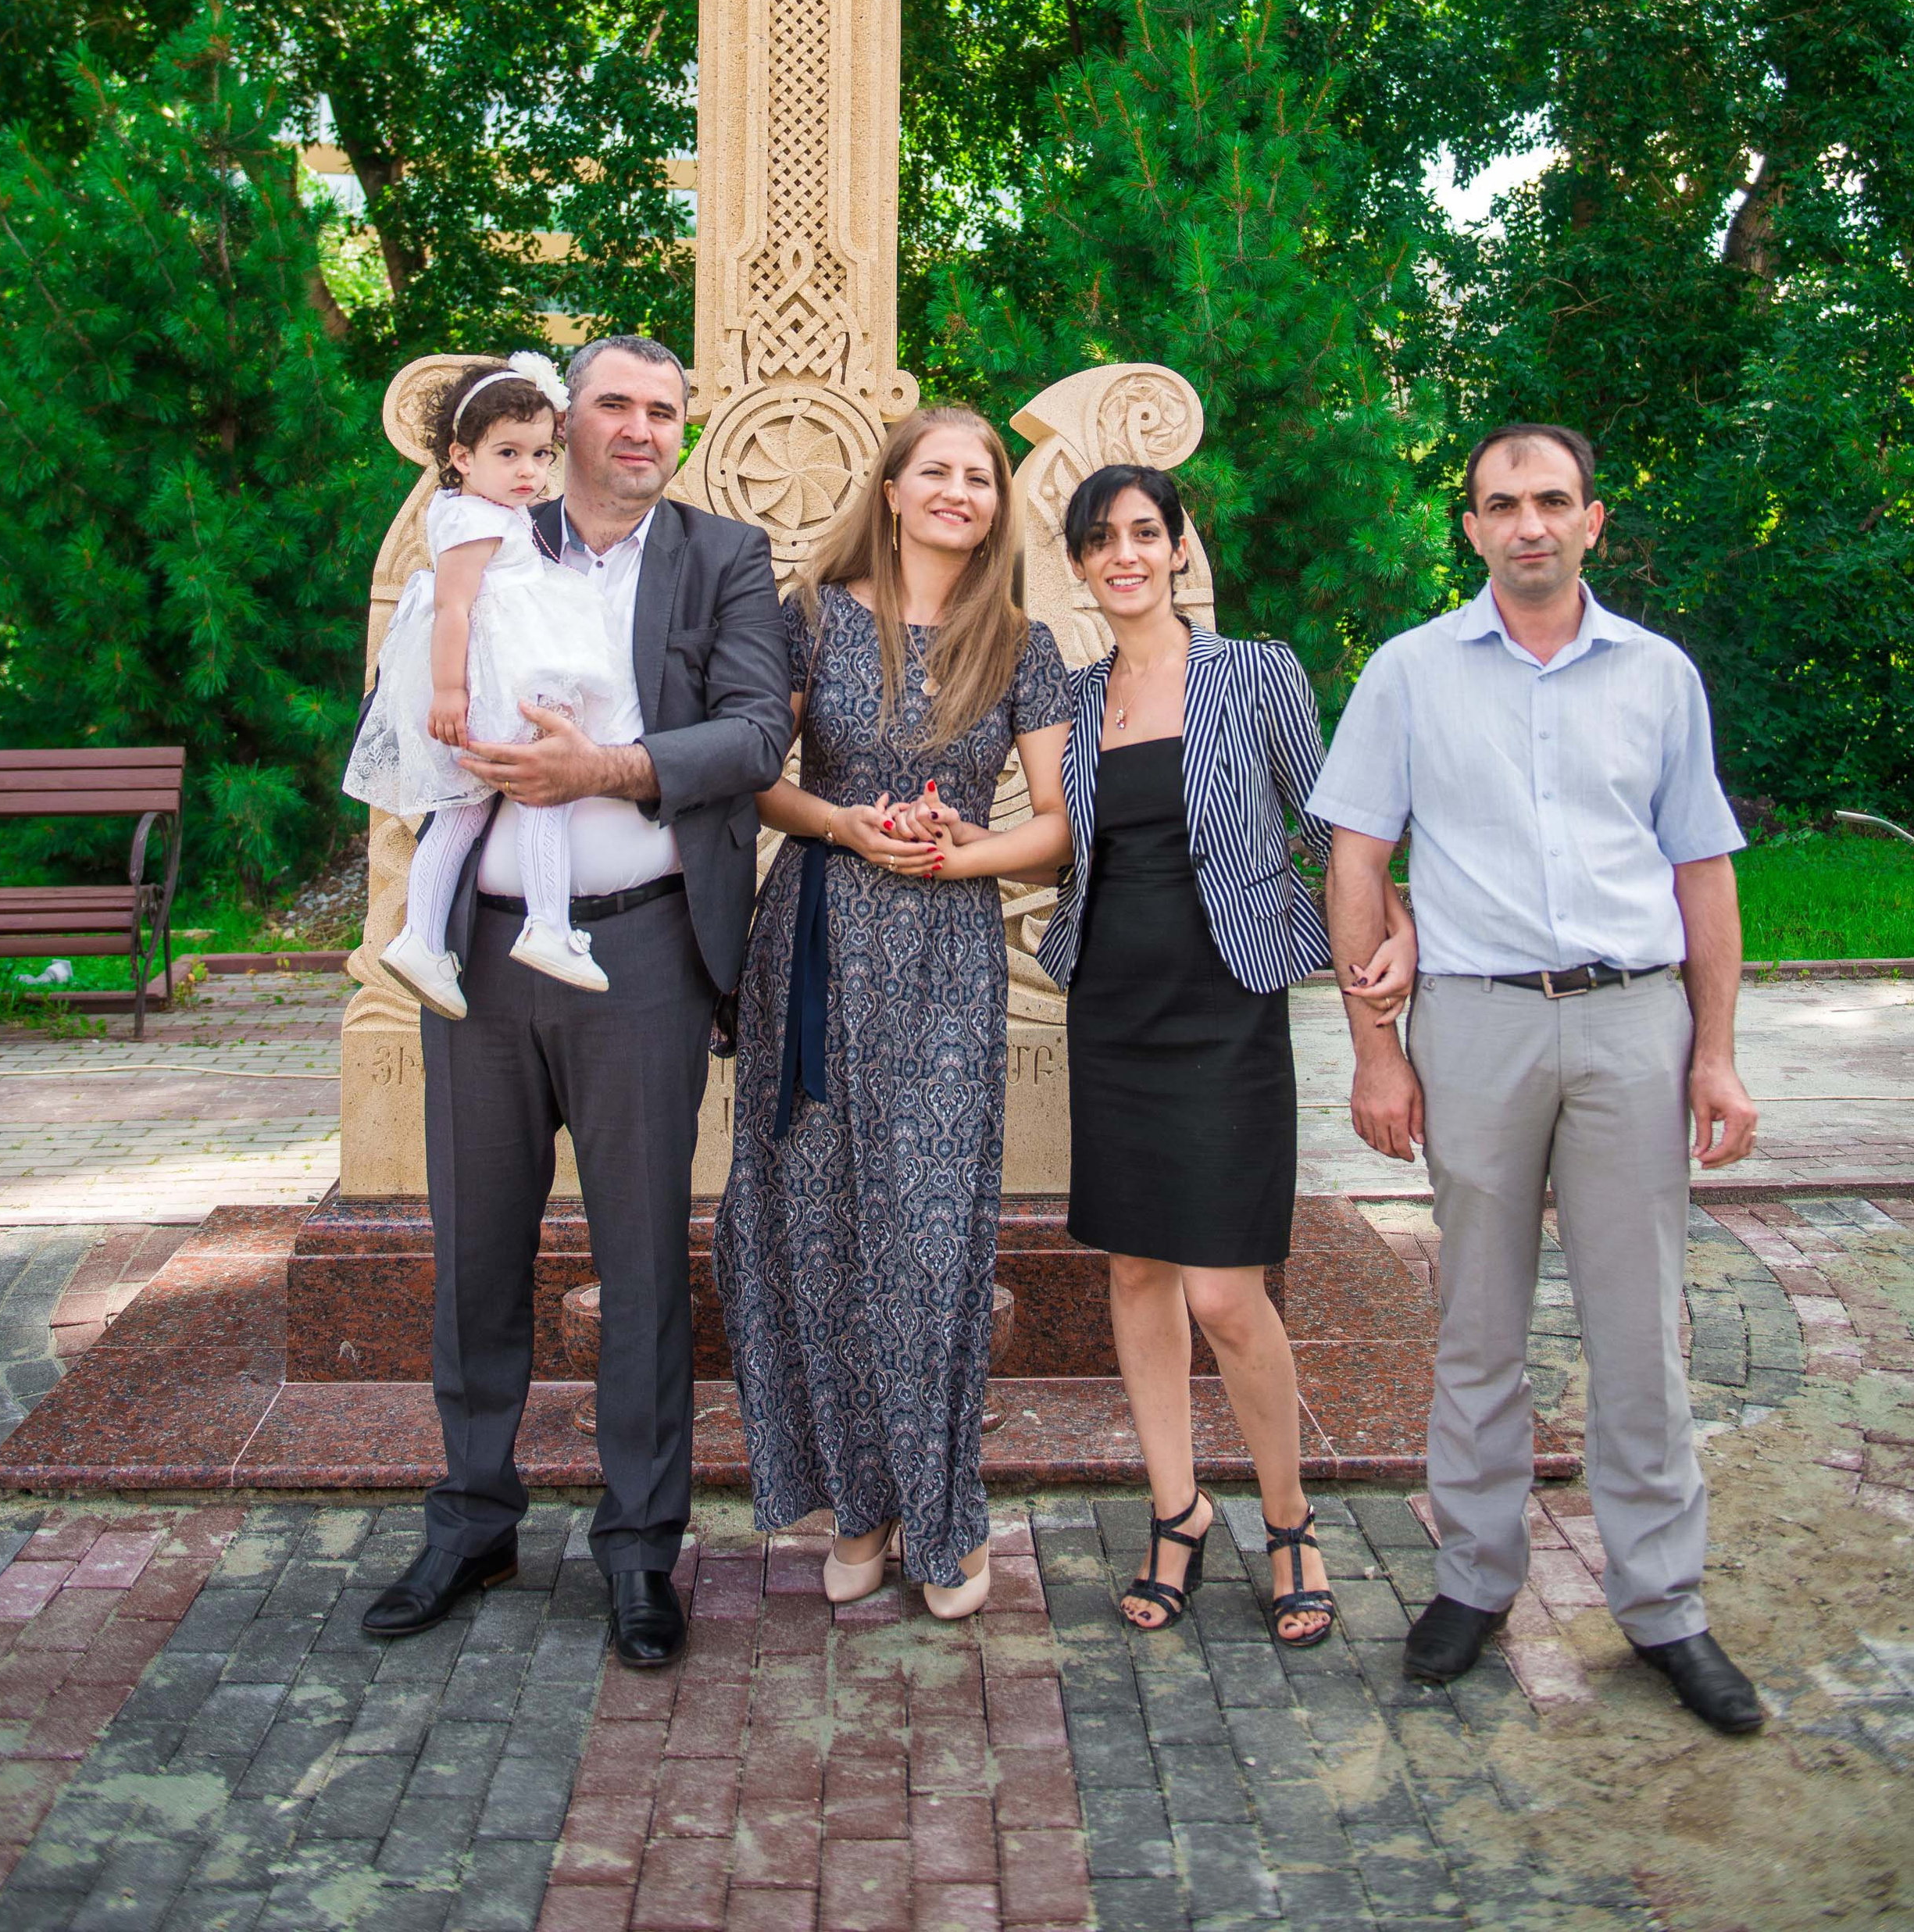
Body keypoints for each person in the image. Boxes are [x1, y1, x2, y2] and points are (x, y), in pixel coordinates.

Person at [1310, 422, 1764, 1735]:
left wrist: (1718, 1052)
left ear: (1593, 520)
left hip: (1634, 1024)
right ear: (1471, 528)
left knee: (1642, 1334)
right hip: (1479, 1027)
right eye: (1502, 503)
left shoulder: (1660, 676)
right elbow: (1355, 859)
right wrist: (1377, 1052)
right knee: (1479, 1323)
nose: (1529, 524)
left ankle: (1666, 1606)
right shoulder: (1409, 674)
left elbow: (1704, 872)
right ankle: (1473, 1580)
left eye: (1552, 500)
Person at [361, 337, 792, 1672]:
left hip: (644, 955)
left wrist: (601, 766)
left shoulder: (722, 558)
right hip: (482, 958)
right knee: (477, 1247)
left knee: (644, 1261)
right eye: (617, 403)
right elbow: (409, 686)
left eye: (665, 411)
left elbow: (754, 733)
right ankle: (474, 1517)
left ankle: (639, 1549)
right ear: (568, 416)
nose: (641, 428)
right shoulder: (493, 526)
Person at [1032, 465, 1414, 1643]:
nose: (1126, 555)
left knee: (1226, 1293)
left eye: (1146, 531)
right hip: (1112, 1008)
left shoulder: (1257, 672)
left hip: (1226, 1006)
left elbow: (1325, 823)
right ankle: (1176, 1507)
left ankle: (1289, 1517)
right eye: (1102, 540)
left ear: (1182, 544)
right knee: (1137, 1273)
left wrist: (1393, 925)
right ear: (1083, 564)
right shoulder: (1078, 694)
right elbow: (1062, 849)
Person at [713, 407, 1071, 1618]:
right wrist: (846, 823)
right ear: (894, 484)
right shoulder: (812, 612)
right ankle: (853, 1505)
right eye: (941, 471)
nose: (961, 491)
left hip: (943, 952)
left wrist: (963, 855)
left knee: (929, 1231)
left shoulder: (1020, 640)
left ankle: (941, 1507)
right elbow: (756, 775)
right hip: (812, 935)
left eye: (981, 476)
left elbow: (1061, 826)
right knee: (812, 1224)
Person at [345, 354, 620, 1016]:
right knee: (543, 793)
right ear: (461, 455)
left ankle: (420, 938)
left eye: (540, 454)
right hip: (497, 682)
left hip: (495, 677)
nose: (530, 471)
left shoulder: (473, 507)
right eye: (509, 454)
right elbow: (453, 608)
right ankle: (548, 923)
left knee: (462, 812)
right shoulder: (476, 519)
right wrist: (448, 692)